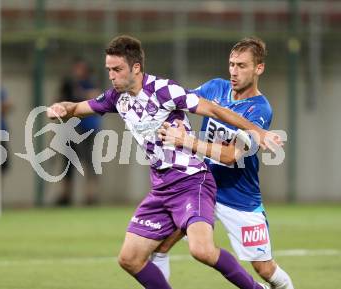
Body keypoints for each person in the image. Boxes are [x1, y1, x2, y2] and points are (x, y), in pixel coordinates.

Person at [46, 35, 281, 289]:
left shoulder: (163, 90)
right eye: (109, 70)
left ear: (136, 67)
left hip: (192, 181)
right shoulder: (117, 98)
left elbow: (213, 109)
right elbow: (77, 108)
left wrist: (258, 132)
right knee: (129, 258)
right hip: (161, 187)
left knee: (201, 250)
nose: (112, 76)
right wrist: (60, 108)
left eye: (117, 69)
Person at [155, 37, 294, 289]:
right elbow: (181, 102)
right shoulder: (214, 88)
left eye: (241, 65)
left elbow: (230, 156)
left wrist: (185, 141)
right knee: (161, 247)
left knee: (265, 269)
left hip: (240, 199)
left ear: (258, 68)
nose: (233, 71)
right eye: (231, 64)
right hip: (203, 188)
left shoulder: (259, 110)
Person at [56, 58, 101, 206]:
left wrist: (82, 93)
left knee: (90, 162)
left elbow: (96, 97)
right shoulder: (68, 84)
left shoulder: (90, 82)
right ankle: (66, 195)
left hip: (88, 128)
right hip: (71, 127)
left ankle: (91, 195)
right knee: (68, 162)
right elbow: (59, 101)